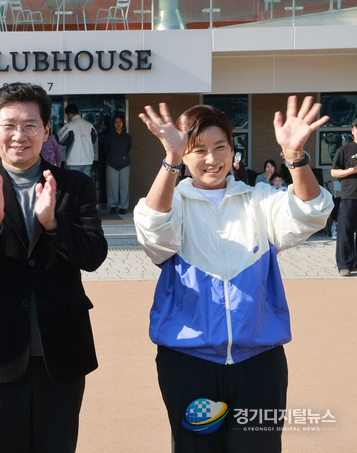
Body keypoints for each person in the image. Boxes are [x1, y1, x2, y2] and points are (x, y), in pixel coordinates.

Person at [133, 97, 333, 453]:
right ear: (184, 156)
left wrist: (296, 157)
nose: (212, 159)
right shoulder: (171, 202)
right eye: (198, 150)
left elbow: (311, 212)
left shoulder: (259, 199)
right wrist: (170, 160)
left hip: (259, 361)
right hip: (189, 361)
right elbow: (154, 232)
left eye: (220, 147)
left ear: (232, 149)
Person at [0, 82, 108, 453]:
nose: (19, 136)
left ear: (46, 130)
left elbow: (94, 256)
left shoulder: (75, 185)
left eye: (30, 126)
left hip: (61, 350)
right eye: (9, 125)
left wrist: (54, 223)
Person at [331, 118, 357, 277]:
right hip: (350, 196)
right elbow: (334, 172)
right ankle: (345, 265)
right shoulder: (345, 150)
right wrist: (351, 171)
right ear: (353, 130)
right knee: (345, 232)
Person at [57, 103, 97, 177]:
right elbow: (94, 139)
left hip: (73, 161)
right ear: (78, 112)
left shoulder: (69, 126)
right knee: (86, 183)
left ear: (69, 114)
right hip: (88, 160)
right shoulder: (90, 125)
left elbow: (60, 139)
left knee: (74, 183)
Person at [104, 114, 132, 215]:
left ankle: (123, 207)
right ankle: (112, 206)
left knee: (124, 186)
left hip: (125, 164)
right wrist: (111, 159)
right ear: (113, 124)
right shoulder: (109, 136)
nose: (118, 124)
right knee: (112, 186)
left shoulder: (127, 137)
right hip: (112, 164)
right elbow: (106, 150)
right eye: (116, 122)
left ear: (123, 123)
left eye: (120, 121)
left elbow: (128, 148)